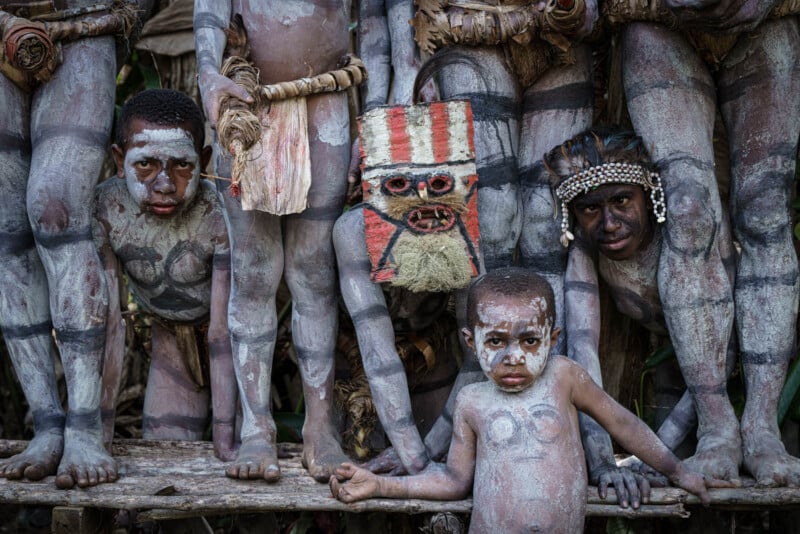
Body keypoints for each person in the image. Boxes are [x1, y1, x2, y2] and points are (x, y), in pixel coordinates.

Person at [331, 267, 718, 531]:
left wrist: (679, 472)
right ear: (471, 342)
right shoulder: (471, 401)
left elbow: (622, 423)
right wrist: (380, 486)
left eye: (529, 340)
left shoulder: (564, 377)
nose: (513, 356)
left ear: (551, 338)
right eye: (496, 340)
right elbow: (453, 481)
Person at [609, 0, 800, 484]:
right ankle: (717, 429)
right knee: (688, 210)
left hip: (767, 20)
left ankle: (762, 430)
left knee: (765, 209)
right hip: (657, 21)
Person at [194, 0, 354, 482]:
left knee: (313, 269)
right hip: (244, 101)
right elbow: (209, 10)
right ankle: (256, 429)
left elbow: (376, 29)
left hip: (328, 98)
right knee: (255, 271)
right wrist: (207, 71)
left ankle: (320, 427)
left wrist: (380, 110)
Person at [0, 0, 152, 489]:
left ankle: (84, 426)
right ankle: (45, 421)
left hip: (87, 19)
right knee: (6, 232)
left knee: (57, 207)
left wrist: (121, 17)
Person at [550, 128, 738, 487]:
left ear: (649, 195)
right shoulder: (585, 253)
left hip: (727, 375)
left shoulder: (692, 234)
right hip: (668, 364)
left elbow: (723, 351)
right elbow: (581, 358)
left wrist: (649, 458)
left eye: (622, 201)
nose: (608, 223)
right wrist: (604, 465)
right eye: (590, 209)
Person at [95, 88, 237, 461]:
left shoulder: (216, 212)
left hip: (239, 345)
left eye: (181, 165)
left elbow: (223, 331)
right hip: (171, 341)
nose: (163, 184)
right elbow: (110, 324)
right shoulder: (108, 210)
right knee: (167, 455)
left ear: (204, 161)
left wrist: (225, 434)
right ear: (118, 159)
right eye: (145, 165)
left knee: (238, 458)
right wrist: (99, 435)